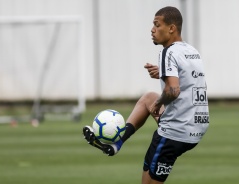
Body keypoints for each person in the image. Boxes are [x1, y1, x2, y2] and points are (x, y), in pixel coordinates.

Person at [83, 6, 209, 184]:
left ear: (171, 28)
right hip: (197, 126)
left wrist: (159, 102)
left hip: (176, 131)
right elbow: (189, 78)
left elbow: (173, 90)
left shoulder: (168, 51)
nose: (152, 30)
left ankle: (115, 143)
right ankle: (117, 143)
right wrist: (163, 72)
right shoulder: (191, 51)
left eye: (157, 25)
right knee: (148, 98)